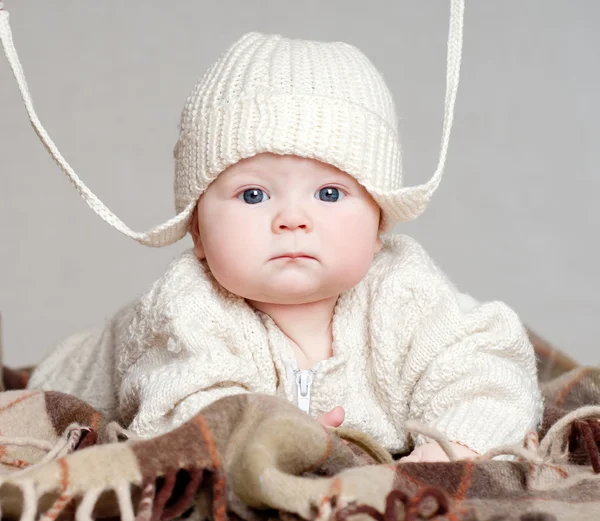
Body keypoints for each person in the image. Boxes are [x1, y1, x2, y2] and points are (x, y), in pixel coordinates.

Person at [1, 1, 543, 462]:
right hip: (71, 369)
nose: (292, 219)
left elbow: (485, 369)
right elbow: (181, 414)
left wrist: (448, 449)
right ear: (196, 231)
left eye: (330, 194)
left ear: (379, 222)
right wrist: (276, 439)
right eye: (253, 195)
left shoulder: (404, 292)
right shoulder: (190, 305)